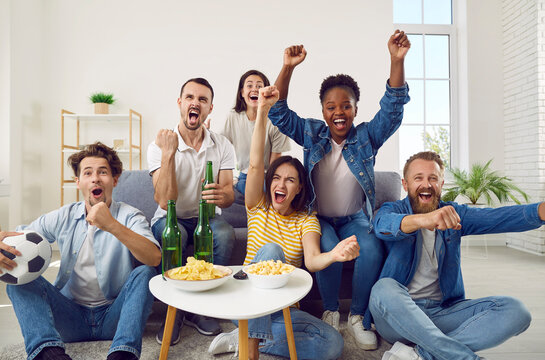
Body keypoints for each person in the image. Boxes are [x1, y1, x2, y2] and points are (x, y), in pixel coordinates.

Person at [267, 30, 411, 350]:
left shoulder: (366, 138)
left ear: (355, 110)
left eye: (346, 106)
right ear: (323, 112)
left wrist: (396, 60)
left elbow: (393, 110)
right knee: (328, 251)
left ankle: (359, 316)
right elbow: (277, 112)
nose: (339, 113)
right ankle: (331, 312)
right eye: (331, 107)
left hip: (354, 218)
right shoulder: (313, 133)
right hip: (319, 218)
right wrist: (288, 67)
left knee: (371, 246)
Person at [208, 85, 359, 359]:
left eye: (290, 180)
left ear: (299, 188)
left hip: (284, 308)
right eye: (276, 178)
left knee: (333, 344)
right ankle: (251, 347)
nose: (281, 184)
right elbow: (255, 164)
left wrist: (334, 255)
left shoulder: (306, 220)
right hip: (247, 299)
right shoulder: (259, 205)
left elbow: (312, 261)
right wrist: (263, 111)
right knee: (272, 253)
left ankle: (241, 338)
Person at [2, 142, 161, 360]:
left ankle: (123, 354)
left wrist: (112, 225)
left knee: (145, 274)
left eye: (103, 172)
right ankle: (49, 353)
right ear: (79, 182)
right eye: (88, 173)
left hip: (113, 316)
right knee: (18, 281)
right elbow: (20, 238)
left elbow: (153, 258)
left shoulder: (130, 216)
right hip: (69, 318)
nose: (95, 178)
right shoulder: (63, 216)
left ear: (114, 180)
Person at [370, 151, 535, 360]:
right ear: (405, 184)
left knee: (516, 311)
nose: (426, 184)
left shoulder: (454, 214)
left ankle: (420, 354)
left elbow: (496, 217)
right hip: (397, 316)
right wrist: (425, 220)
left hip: (442, 312)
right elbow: (382, 226)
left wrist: (539, 211)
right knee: (384, 288)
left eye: (433, 178)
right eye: (418, 178)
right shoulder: (392, 209)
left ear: (442, 183)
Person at [148, 77, 236, 344]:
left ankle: (201, 308)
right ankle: (174, 311)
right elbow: (164, 201)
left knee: (223, 234)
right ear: (180, 103)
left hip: (206, 219)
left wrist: (223, 195)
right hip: (169, 218)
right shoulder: (159, 146)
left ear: (210, 108)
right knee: (176, 236)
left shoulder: (222, 145)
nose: (195, 103)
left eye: (202, 99)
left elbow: (230, 194)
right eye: (189, 97)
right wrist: (169, 154)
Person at [222, 69, 291, 199]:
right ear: (242, 92)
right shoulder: (233, 117)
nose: (254, 89)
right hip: (243, 177)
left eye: (259, 86)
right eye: (249, 85)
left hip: (267, 177)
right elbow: (220, 147)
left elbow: (274, 165)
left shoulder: (276, 121)